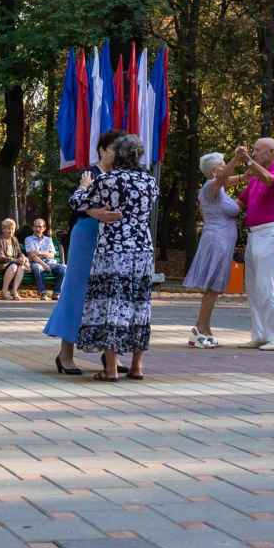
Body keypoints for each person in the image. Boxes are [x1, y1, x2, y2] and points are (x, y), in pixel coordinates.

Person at [73, 134, 158, 382]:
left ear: (118, 155)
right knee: (139, 304)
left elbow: (77, 202)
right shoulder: (150, 182)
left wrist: (84, 186)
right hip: (142, 249)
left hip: (113, 249)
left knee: (112, 303)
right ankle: (137, 366)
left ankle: (110, 369)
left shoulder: (108, 180)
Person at [44, 129, 126, 374]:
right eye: (114, 149)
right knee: (77, 290)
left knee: (110, 294)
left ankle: (110, 356)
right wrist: (94, 212)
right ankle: (65, 354)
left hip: (113, 238)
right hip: (88, 235)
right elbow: (78, 204)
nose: (119, 154)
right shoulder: (90, 173)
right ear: (102, 149)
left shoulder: (123, 175)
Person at [235, 138, 274, 351]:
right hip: (254, 236)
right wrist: (213, 206)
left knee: (265, 285)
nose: (254, 153)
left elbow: (269, 178)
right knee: (252, 287)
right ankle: (260, 334)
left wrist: (248, 161)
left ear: (272, 152)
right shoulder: (254, 180)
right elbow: (238, 204)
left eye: (257, 150)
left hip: (270, 234)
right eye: (253, 150)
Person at [182, 151, 245, 348]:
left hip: (222, 241)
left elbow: (230, 179)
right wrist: (236, 159)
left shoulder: (219, 189)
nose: (227, 167)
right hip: (217, 241)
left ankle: (204, 329)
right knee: (214, 287)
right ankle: (200, 330)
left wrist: (247, 174)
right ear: (213, 170)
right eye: (224, 164)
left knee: (215, 288)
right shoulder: (211, 186)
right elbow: (224, 179)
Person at [25, 219, 66, 301]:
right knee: (38, 268)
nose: (37, 229)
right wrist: (44, 265)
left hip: (50, 263)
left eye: (40, 227)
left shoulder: (48, 240)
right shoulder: (28, 239)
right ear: (33, 228)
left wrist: (39, 252)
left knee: (64, 268)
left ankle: (56, 293)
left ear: (44, 228)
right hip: (36, 262)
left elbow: (52, 255)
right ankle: (43, 293)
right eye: (35, 226)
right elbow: (32, 256)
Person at [0, 219, 28, 300]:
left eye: (12, 229)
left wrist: (23, 257)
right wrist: (14, 260)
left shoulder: (14, 240)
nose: (11, 231)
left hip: (12, 263)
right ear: (3, 229)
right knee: (14, 266)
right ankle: (4, 291)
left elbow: (18, 252)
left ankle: (14, 291)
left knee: (21, 266)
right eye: (8, 228)